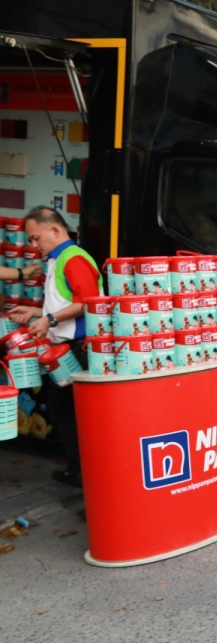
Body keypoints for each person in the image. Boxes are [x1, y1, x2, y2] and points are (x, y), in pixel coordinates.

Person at [9, 207, 100, 487]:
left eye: (36, 238)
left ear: (56, 231)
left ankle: (84, 474)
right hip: (68, 349)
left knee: (70, 412)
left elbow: (87, 302)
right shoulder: (59, 259)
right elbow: (65, 304)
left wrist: (48, 319)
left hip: (78, 350)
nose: (34, 246)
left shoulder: (72, 259)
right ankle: (79, 471)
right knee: (65, 410)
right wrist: (35, 312)